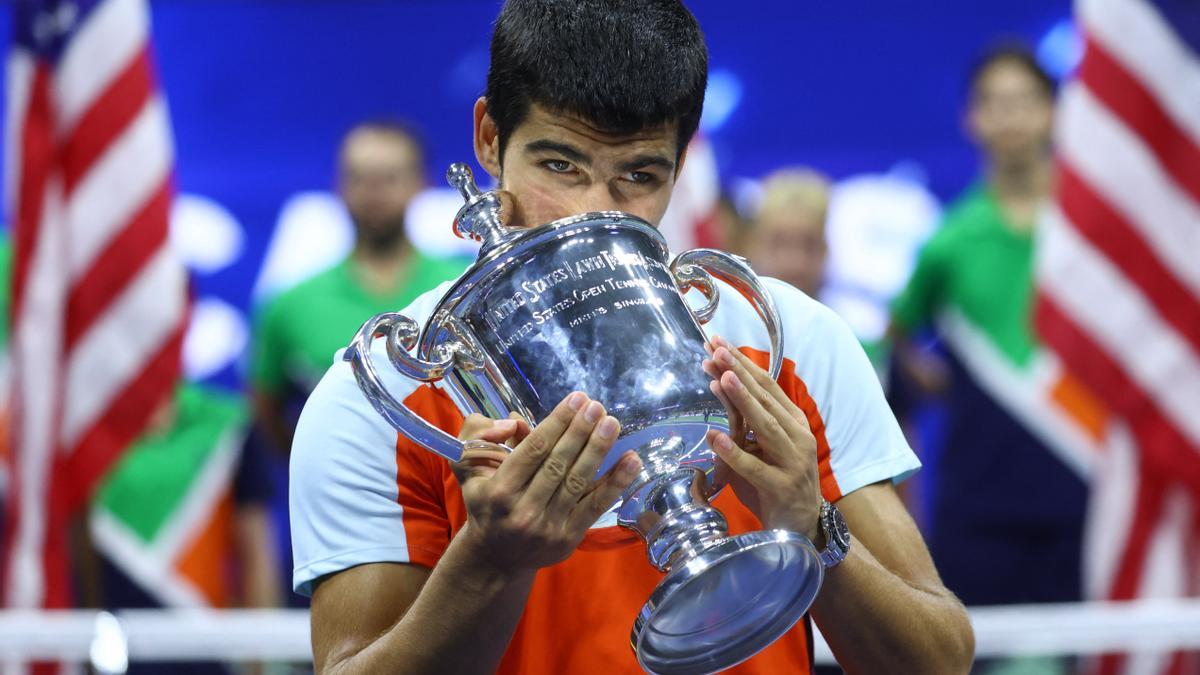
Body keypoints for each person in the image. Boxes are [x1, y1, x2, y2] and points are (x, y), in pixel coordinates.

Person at [290, 2, 974, 674]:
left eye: (639, 176)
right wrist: (488, 563)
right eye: (560, 166)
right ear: (489, 137)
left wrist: (816, 527)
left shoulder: (788, 343)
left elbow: (937, 661)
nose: (594, 211)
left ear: (682, 166)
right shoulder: (385, 392)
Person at [889, 44, 1096, 611]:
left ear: (1054, 112)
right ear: (971, 117)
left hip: (1088, 479)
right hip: (981, 495)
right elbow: (897, 330)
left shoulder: (1094, 230)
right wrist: (937, 383)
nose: (1010, 118)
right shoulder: (949, 242)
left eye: (1025, 101)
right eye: (995, 103)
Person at [249, 120, 468, 455]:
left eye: (389, 178)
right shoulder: (290, 304)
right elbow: (265, 406)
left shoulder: (461, 289)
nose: (373, 193)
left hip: (455, 494)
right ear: (338, 185)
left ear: (421, 183)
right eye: (359, 178)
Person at [748, 167, 832, 300]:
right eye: (779, 243)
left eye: (809, 245)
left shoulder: (851, 317)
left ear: (825, 249)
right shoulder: (729, 317)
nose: (794, 263)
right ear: (755, 245)